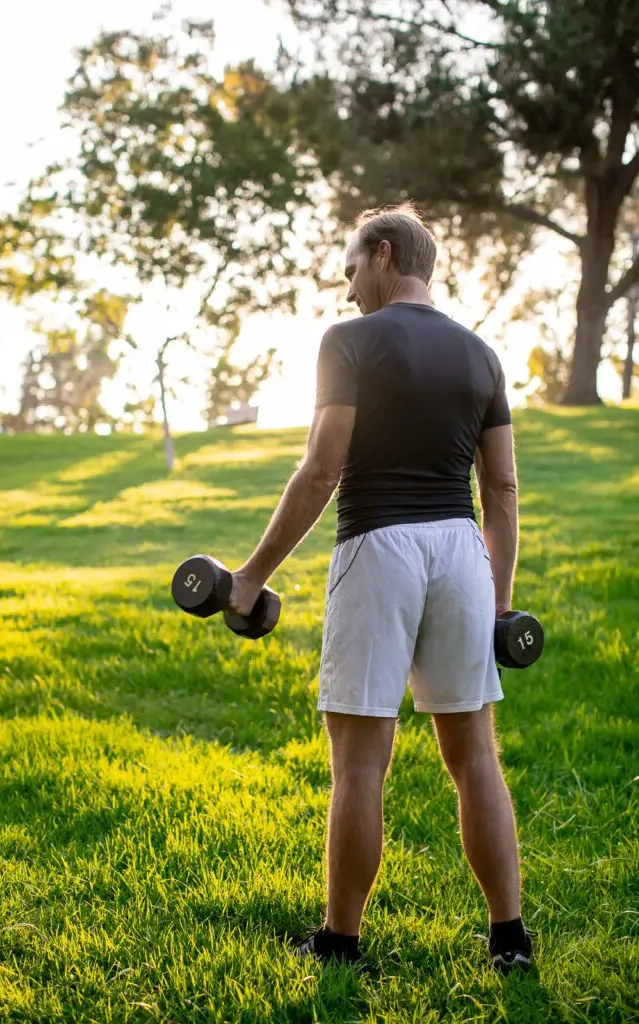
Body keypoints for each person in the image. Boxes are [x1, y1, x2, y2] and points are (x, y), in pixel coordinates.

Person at [226, 203, 533, 975]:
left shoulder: (348, 341)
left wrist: (250, 578)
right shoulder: (480, 354)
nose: (346, 286)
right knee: (475, 757)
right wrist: (497, 605)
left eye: (352, 267)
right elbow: (500, 490)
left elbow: (322, 471)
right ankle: (509, 940)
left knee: (360, 763)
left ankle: (339, 941)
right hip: (461, 555)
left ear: (386, 253)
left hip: (377, 547)